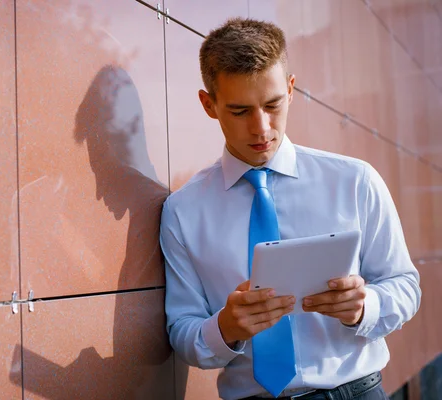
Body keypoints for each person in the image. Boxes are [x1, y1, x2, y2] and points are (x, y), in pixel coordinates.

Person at [159, 18, 421, 400]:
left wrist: (366, 305)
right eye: (239, 111)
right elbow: (182, 332)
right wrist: (226, 327)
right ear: (208, 104)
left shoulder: (355, 181)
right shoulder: (183, 212)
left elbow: (405, 286)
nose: (261, 128)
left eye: (272, 104)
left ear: (292, 89)